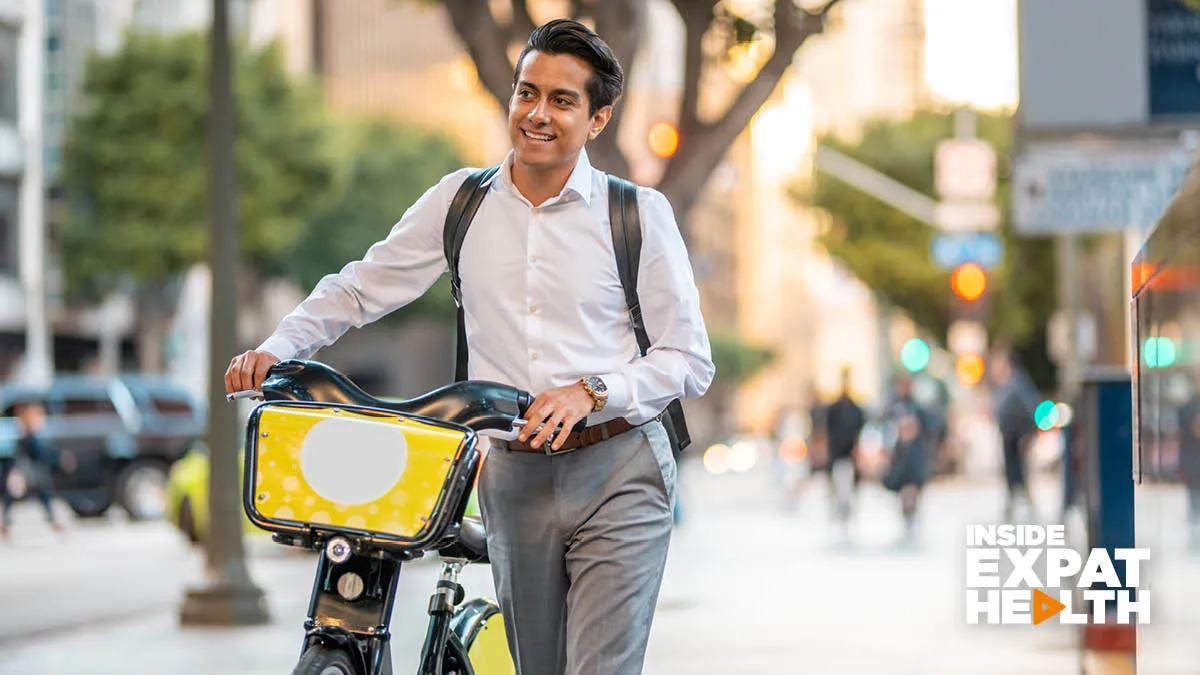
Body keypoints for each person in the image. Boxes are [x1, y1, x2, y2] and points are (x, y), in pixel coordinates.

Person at [224, 19, 714, 675]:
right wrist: (277, 346)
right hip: (512, 473)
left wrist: (594, 390)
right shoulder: (461, 202)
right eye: (527, 92)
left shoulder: (636, 214)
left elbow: (689, 359)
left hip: (620, 465)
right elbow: (360, 287)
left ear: (597, 120)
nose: (537, 114)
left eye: (562, 100)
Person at [1, 402, 69, 537]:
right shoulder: (30, 436)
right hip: (32, 474)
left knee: (16, 497)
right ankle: (53, 522)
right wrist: (58, 458)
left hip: (28, 474)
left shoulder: (24, 434)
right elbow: (40, 453)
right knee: (42, 495)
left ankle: (5, 523)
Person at [989, 351, 1040, 521]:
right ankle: (1014, 504)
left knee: (1019, 471)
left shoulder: (1018, 384)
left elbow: (1030, 407)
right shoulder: (1006, 384)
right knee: (1012, 471)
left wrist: (1028, 433)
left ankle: (1024, 505)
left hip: (1017, 436)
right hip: (1009, 436)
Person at [880, 376, 929, 537]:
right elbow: (885, 428)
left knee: (912, 486)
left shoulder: (917, 407)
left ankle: (912, 514)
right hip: (900, 456)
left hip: (914, 455)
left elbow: (928, 428)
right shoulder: (893, 408)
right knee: (904, 486)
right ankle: (906, 513)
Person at [822, 367, 865, 524]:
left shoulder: (856, 410)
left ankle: (847, 512)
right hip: (837, 454)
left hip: (850, 455)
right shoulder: (833, 409)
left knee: (849, 487)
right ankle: (838, 512)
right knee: (837, 485)